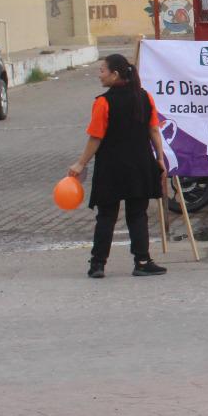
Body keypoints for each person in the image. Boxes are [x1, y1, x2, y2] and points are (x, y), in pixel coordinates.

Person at [68, 54, 168, 279]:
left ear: (115, 74)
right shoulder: (145, 97)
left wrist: (80, 163)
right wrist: (159, 158)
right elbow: (153, 130)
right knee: (137, 215)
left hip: (111, 167)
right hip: (140, 164)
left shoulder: (103, 102)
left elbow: (96, 138)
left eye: (102, 70)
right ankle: (142, 261)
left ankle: (97, 264)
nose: (99, 74)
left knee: (106, 216)